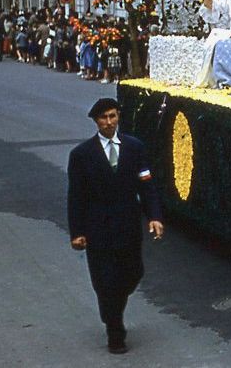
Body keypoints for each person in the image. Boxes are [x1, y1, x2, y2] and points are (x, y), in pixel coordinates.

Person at [67, 98, 163, 354]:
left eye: (112, 116)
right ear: (95, 121)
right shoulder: (81, 155)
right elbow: (75, 196)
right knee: (105, 281)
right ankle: (115, 330)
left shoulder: (134, 147)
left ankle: (112, 308)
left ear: (119, 116)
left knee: (133, 272)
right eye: (103, 118)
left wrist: (154, 216)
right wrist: (77, 233)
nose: (109, 122)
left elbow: (147, 184)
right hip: (97, 229)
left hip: (128, 225)